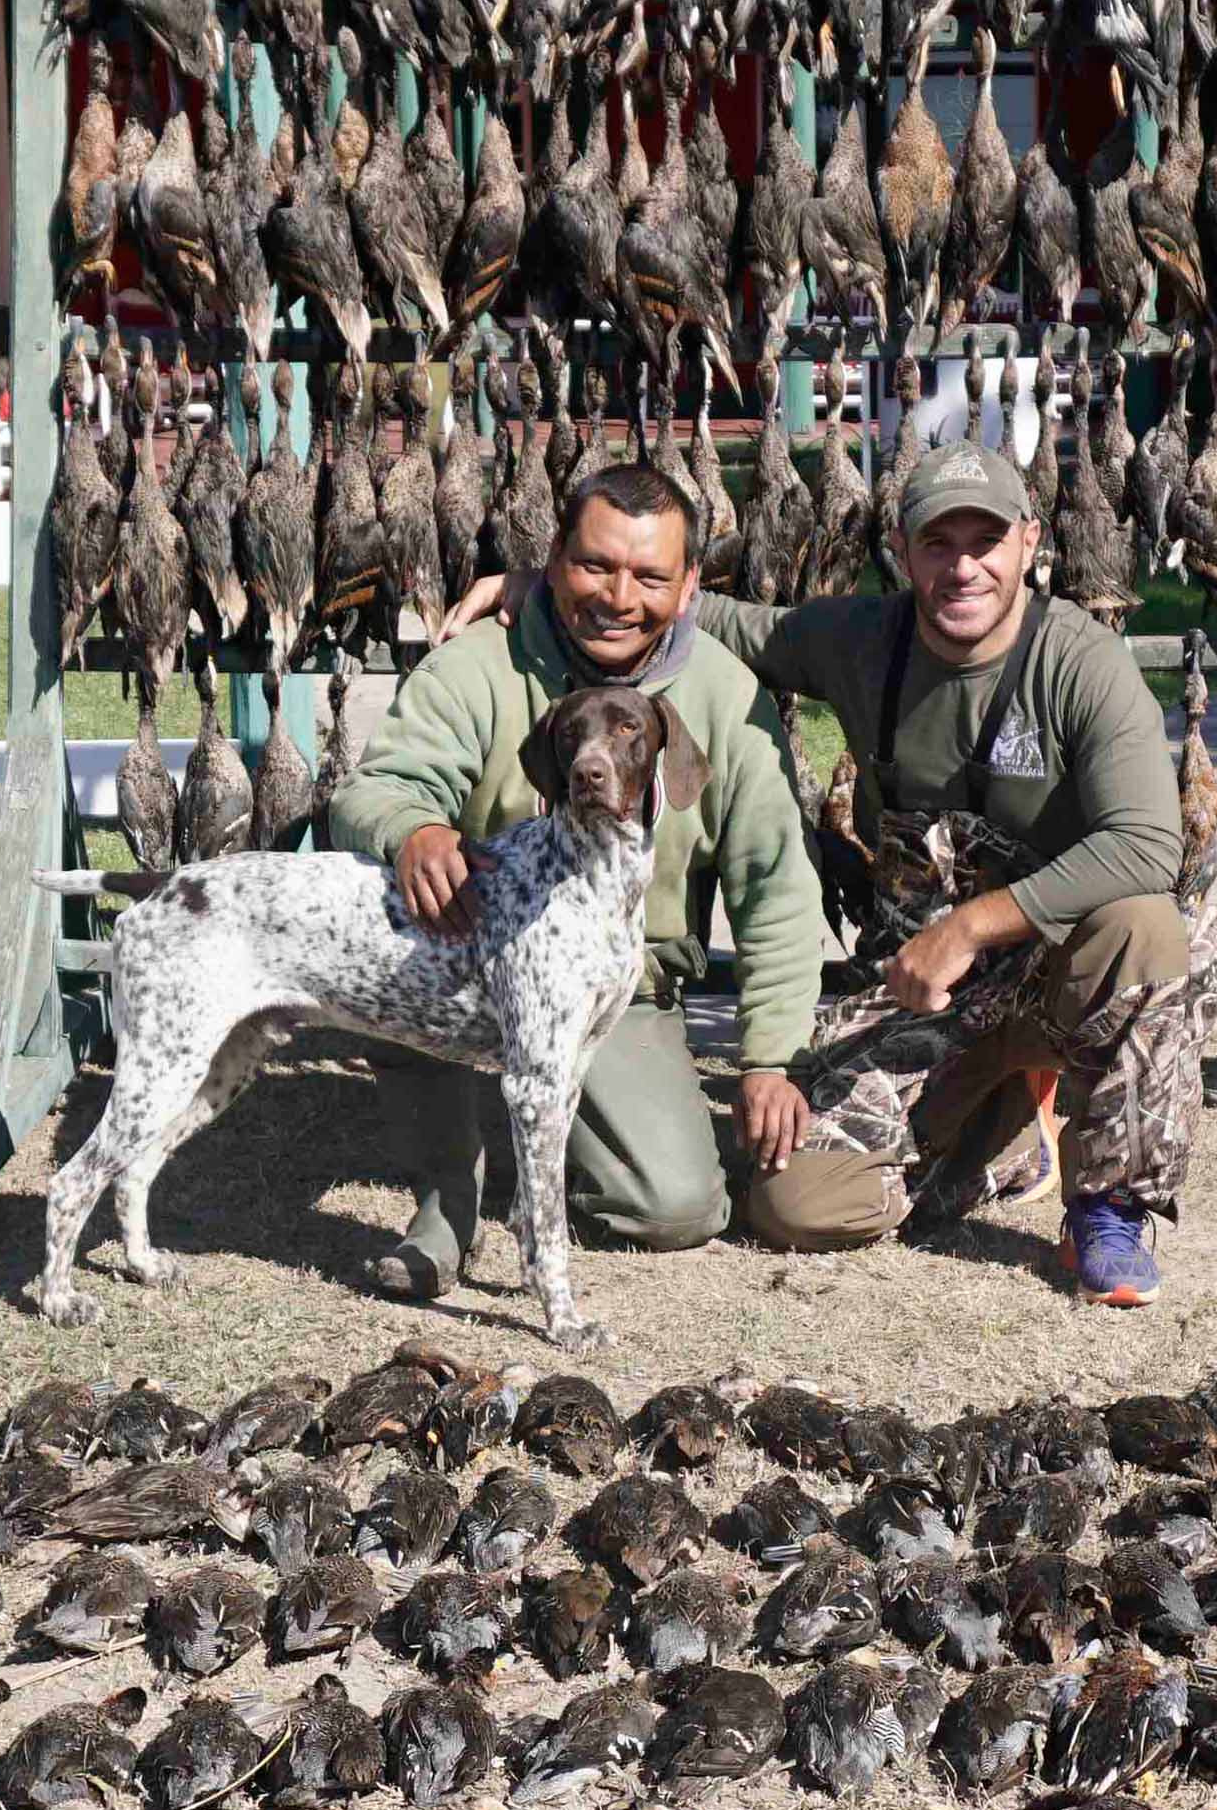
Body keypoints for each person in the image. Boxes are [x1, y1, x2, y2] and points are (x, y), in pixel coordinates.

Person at [323, 457, 879, 1298]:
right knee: (410, 938)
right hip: (468, 956)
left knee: (677, 1207)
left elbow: (776, 884)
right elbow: (376, 788)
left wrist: (770, 1057)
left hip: (619, 985)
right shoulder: (481, 666)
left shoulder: (725, 698)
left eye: (649, 576)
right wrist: (416, 831)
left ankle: (546, 1164)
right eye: (595, 565)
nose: (618, 596)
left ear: (689, 587)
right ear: (553, 559)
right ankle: (447, 1204)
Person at [703, 438, 1213, 1309]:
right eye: (938, 544)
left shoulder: (1082, 664)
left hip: (1063, 974)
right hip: (924, 993)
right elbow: (719, 623)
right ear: (901, 552)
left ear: (1030, 542)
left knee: (1149, 926)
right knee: (794, 1203)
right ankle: (1001, 1137)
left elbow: (1145, 846)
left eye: (985, 541)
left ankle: (1110, 1207)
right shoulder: (861, 641)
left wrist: (968, 926)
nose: (963, 567)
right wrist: (550, 591)